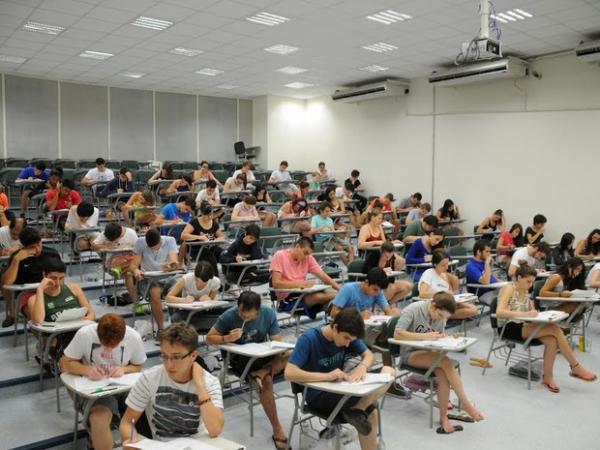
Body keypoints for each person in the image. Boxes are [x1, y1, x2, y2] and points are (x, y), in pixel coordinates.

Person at [285, 308, 394, 448]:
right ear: (335, 327)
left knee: (389, 371)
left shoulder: (348, 335)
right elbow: (289, 373)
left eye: (351, 340)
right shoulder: (309, 339)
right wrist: (327, 376)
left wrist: (362, 367)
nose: (348, 344)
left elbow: (369, 355)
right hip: (318, 395)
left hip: (340, 389)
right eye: (346, 338)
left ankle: (357, 409)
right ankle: (356, 410)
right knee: (371, 411)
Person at [206, 291, 291, 450]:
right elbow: (209, 338)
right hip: (240, 358)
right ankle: (277, 429)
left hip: (261, 355)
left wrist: (280, 350)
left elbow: (276, 341)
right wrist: (226, 338)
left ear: (257, 311)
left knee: (292, 354)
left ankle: (262, 371)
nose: (243, 317)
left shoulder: (268, 313)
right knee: (267, 382)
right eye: (241, 313)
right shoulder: (229, 316)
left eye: (248, 316)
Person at [496, 263, 596, 393]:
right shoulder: (509, 288)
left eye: (532, 282)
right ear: (518, 277)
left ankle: (548, 378)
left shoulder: (524, 290)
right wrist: (525, 314)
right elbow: (500, 312)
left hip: (521, 324)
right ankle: (575, 367)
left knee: (552, 340)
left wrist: (535, 312)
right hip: (507, 327)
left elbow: (530, 311)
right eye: (528, 281)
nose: (530, 285)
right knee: (554, 329)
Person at [119, 323, 224, 446]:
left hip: (199, 445)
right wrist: (132, 440)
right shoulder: (149, 378)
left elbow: (215, 430)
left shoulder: (209, 382)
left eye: (176, 357)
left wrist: (200, 385)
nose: (169, 365)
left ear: (193, 355)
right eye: (164, 356)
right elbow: (126, 423)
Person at [394, 292, 484, 433]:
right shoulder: (413, 309)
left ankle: (444, 418)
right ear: (433, 306)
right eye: (440, 316)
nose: (441, 319)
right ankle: (466, 404)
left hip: (429, 354)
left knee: (443, 372)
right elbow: (397, 334)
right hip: (409, 354)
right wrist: (425, 336)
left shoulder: (441, 317)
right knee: (445, 362)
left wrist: (446, 341)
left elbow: (436, 340)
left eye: (445, 318)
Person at [60, 314, 146, 450]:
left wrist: (123, 369)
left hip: (123, 387)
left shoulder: (133, 337)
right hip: (95, 389)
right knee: (99, 420)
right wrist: (87, 369)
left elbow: (138, 366)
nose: (108, 350)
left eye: (113, 346)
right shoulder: (85, 333)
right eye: (104, 345)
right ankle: (97, 438)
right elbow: (65, 364)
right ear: (97, 333)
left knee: (148, 409)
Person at [1, 227, 61, 327]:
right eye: (32, 247)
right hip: (26, 294)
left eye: (39, 244)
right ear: (24, 247)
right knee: (38, 320)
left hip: (48, 290)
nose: (37, 249)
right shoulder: (17, 257)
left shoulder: (52, 254)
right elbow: (6, 283)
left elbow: (60, 276)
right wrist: (16, 260)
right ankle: (11, 313)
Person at [270, 237, 340, 318]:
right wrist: (300, 284)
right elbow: (276, 284)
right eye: (305, 253)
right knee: (321, 297)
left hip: (303, 293)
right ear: (297, 247)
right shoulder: (280, 255)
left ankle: (332, 323)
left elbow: (324, 277)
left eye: (308, 254)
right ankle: (342, 296)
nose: (306, 256)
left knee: (331, 299)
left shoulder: (308, 258)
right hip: (287, 299)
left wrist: (340, 289)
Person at [128, 229, 180, 331]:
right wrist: (136, 271)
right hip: (147, 279)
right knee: (154, 292)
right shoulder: (140, 242)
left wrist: (170, 266)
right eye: (150, 247)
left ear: (160, 240)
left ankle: (175, 328)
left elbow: (174, 263)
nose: (153, 249)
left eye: (155, 247)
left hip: (168, 277)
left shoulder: (170, 241)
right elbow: (133, 265)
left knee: (178, 287)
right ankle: (161, 330)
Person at [26, 258, 95, 323]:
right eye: (53, 278)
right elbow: (38, 321)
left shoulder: (74, 288)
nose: (57, 283)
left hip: (79, 329)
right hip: (57, 334)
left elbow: (91, 313)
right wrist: (40, 289)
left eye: (61, 278)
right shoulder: (33, 299)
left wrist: (84, 322)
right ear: (44, 275)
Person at [167, 261, 226, 332]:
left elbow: (212, 302)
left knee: (231, 310)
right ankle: (221, 322)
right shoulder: (186, 278)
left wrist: (209, 299)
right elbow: (168, 298)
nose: (199, 284)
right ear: (194, 275)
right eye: (197, 280)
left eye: (204, 283)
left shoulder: (215, 281)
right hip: (186, 311)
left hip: (204, 312)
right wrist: (183, 300)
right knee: (176, 318)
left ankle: (219, 321)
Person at [419, 250, 478, 320]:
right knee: (469, 311)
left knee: (473, 308)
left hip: (446, 303)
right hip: (435, 305)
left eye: (447, 264)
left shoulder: (444, 275)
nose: (447, 267)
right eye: (443, 265)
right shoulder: (429, 273)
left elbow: (450, 292)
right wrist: (442, 294)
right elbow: (422, 294)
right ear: (435, 264)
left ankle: (445, 316)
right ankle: (442, 316)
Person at [331, 268, 399, 319]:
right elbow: (333, 313)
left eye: (379, 290)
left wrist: (392, 315)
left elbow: (387, 311)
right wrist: (358, 316)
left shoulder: (378, 291)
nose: (376, 293)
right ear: (366, 282)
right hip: (345, 326)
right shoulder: (348, 289)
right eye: (375, 289)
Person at [181, 201, 224, 273]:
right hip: (197, 248)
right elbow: (183, 235)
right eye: (207, 215)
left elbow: (221, 236)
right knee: (211, 258)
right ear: (201, 213)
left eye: (211, 214)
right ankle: (215, 279)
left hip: (211, 247)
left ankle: (230, 278)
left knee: (224, 254)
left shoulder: (214, 223)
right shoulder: (195, 222)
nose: (209, 217)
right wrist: (199, 237)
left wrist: (215, 240)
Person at [463, 241, 499, 309]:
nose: (489, 254)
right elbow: (486, 282)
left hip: (494, 289)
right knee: (504, 299)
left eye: (490, 252)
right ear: (479, 252)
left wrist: (506, 284)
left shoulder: (483, 262)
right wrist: (487, 264)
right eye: (487, 251)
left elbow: (493, 278)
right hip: (483, 294)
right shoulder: (471, 266)